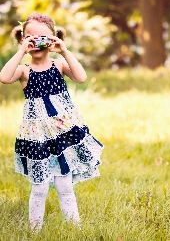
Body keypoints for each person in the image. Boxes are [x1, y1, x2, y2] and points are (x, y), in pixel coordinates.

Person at [0, 12, 104, 231]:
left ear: (53, 39)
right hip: (38, 136)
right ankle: (34, 231)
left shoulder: (58, 65)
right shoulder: (24, 70)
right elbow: (4, 77)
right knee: (39, 188)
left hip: (63, 134)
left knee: (64, 185)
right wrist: (21, 51)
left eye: (42, 38)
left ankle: (75, 230)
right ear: (22, 39)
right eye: (31, 38)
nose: (37, 42)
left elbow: (81, 77)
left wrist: (64, 50)